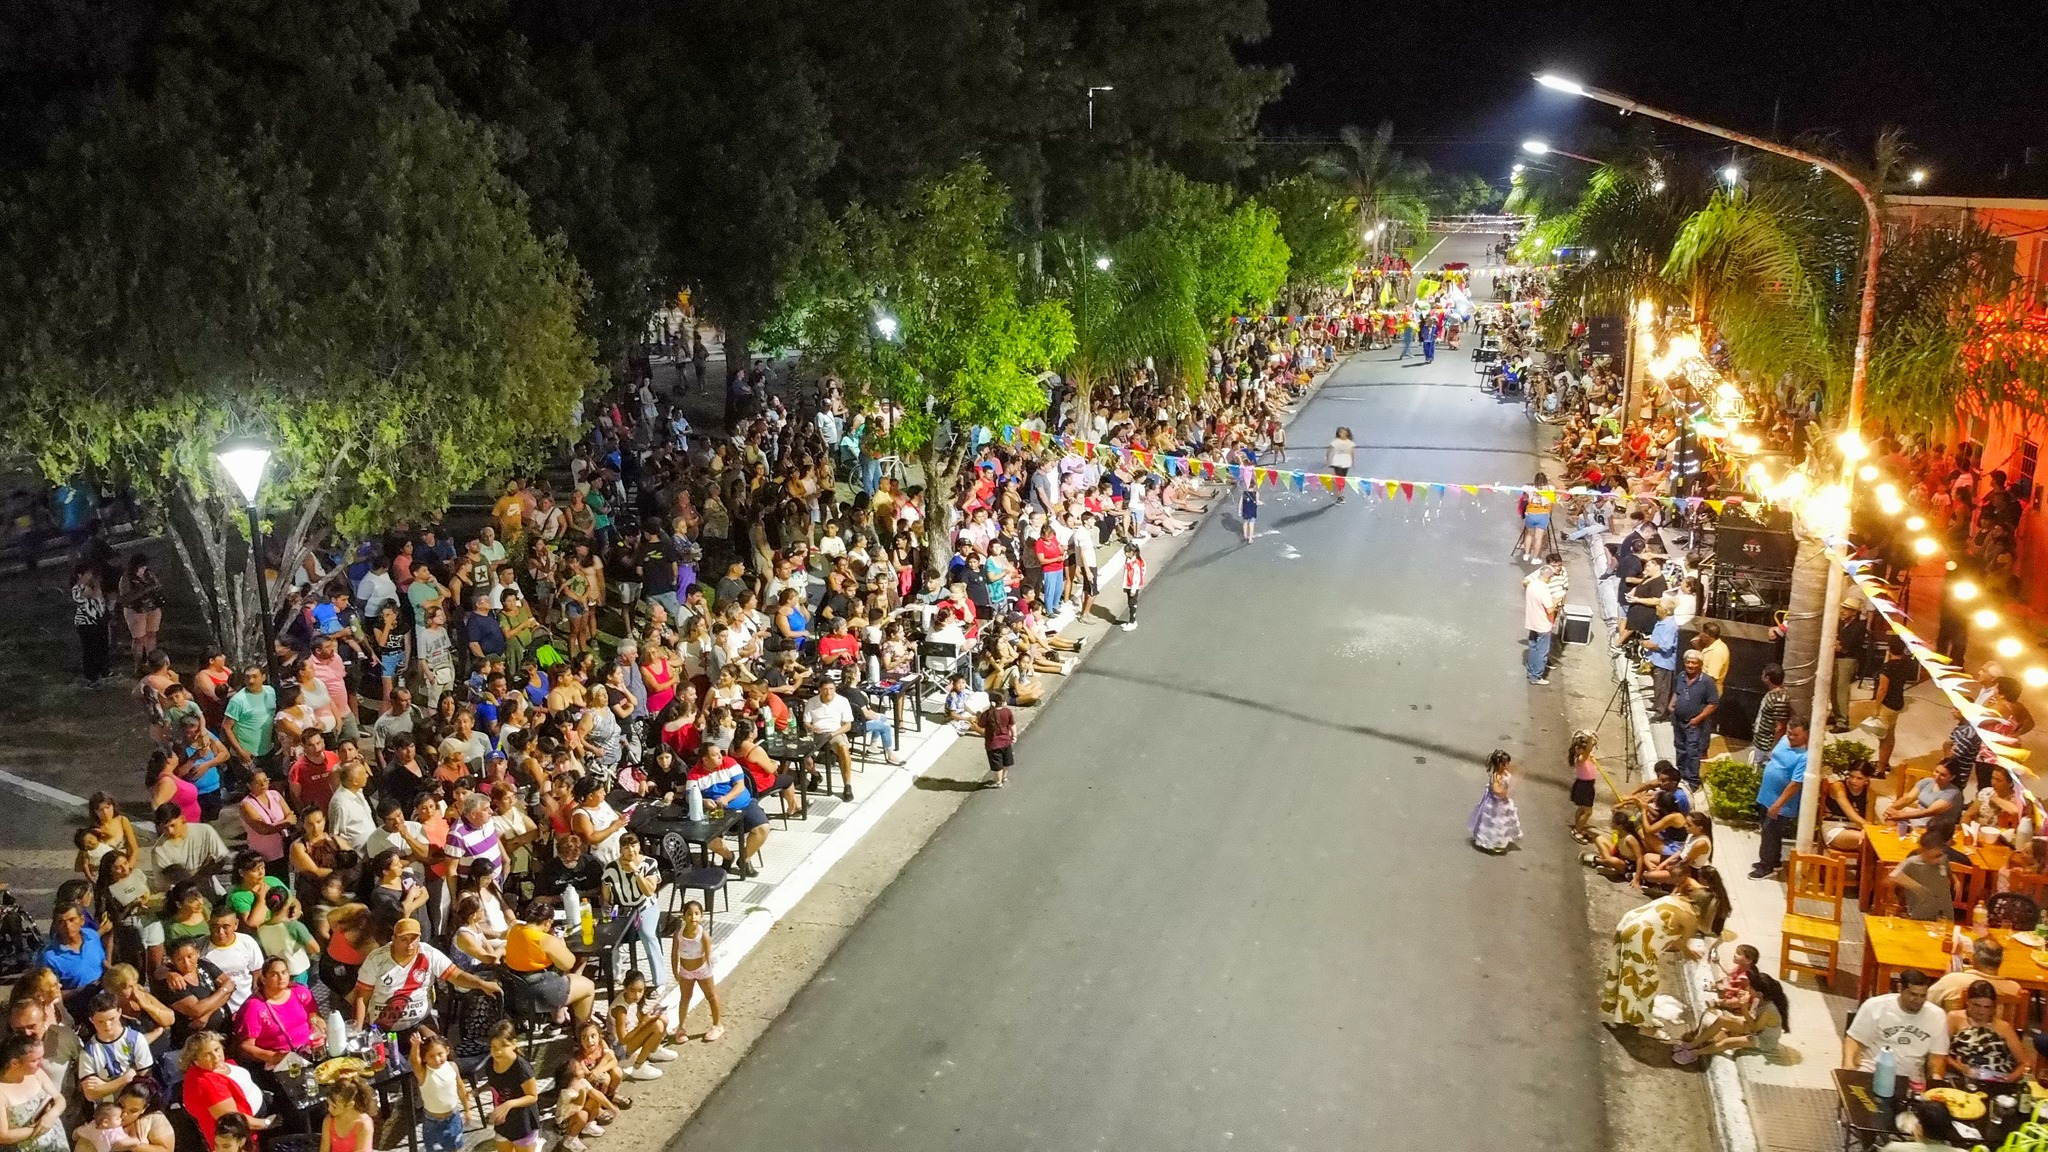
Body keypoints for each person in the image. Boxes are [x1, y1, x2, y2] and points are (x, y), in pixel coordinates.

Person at [1599, 862, 1729, 1031]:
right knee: (1647, 982)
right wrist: (1690, 953)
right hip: (1640, 937)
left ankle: (1625, 1012)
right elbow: (1680, 943)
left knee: (1627, 973)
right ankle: (1643, 1025)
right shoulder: (1690, 917)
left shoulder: (1674, 899)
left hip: (1628, 924)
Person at [352, 918, 498, 1033]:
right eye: (404, 939)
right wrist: (357, 1030)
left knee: (441, 1053)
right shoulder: (376, 960)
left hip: (420, 1021)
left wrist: (481, 984)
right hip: (382, 1026)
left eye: (413, 939)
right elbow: (361, 998)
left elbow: (457, 975)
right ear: (394, 938)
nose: (410, 945)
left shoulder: (429, 954)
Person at [1672, 944, 1787, 1062]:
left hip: (1763, 1039)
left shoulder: (1768, 1010)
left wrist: (1743, 1008)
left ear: (1760, 993)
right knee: (1722, 1020)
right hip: (1755, 1026)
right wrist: (1745, 1008)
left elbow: (1755, 1030)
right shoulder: (1759, 999)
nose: (1749, 990)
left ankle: (1694, 1053)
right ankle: (1691, 1045)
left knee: (1727, 1043)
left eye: (1751, 988)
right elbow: (1753, 1017)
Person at [1843, 969, 1949, 1083]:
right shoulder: (1875, 1006)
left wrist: (1936, 1079)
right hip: (1872, 1073)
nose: (1918, 1000)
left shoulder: (1937, 1015)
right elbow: (1853, 1040)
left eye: (1922, 996)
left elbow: (1937, 1057)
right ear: (1900, 989)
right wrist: (1848, 1065)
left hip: (1911, 1080)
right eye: (1913, 994)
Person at [502, 901, 597, 1027]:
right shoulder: (545, 940)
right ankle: (582, 1030)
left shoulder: (515, 930)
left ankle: (560, 1017)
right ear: (547, 922)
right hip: (540, 993)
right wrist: (561, 945)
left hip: (517, 992)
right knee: (588, 986)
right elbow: (568, 964)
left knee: (571, 978)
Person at [176, 1032, 273, 1146]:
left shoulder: (216, 1065)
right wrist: (266, 1123)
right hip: (248, 1130)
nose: (215, 1057)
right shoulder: (208, 1084)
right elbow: (234, 1120)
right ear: (195, 1059)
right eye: (207, 1054)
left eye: (217, 1049)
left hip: (260, 1111)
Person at [235, 958, 323, 1069]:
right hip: (280, 1063)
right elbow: (246, 1046)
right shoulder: (254, 1007)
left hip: (311, 1051)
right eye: (274, 974)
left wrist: (319, 1024)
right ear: (263, 979)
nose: (281, 978)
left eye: (284, 972)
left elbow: (313, 1015)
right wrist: (274, 1056)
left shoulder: (300, 992)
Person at [1751, 719, 1809, 880]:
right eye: (1789, 733)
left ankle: (1766, 865)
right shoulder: (1784, 740)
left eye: (1795, 735)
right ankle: (1775, 861)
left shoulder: (1804, 756)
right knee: (1767, 830)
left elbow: (1795, 784)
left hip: (1780, 803)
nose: (1791, 737)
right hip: (1766, 795)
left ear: (1805, 735)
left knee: (1770, 833)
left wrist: (1778, 805)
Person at [1945, 979, 2030, 1083]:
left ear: (1994, 1007)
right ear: (1968, 1001)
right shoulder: (1955, 1018)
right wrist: (1960, 1068)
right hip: (1961, 1076)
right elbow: (1939, 1052)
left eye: (1987, 1007)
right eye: (1976, 1005)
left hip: (1998, 1079)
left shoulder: (2003, 1027)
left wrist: (2010, 1078)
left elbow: (2025, 1062)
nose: (1981, 1011)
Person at [0, 1034, 68, 1152]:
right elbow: (3, 1136)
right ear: (15, 1063)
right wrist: (40, 1128)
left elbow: (59, 1099)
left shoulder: (37, 1073)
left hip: (57, 1142)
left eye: (41, 1058)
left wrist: (51, 1115)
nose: (40, 1063)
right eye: (34, 1060)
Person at [669, 901, 723, 1044]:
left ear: (701, 916)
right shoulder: (678, 935)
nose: (693, 917)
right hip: (685, 972)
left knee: (711, 995)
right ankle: (681, 1028)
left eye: (696, 913)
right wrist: (675, 971)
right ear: (684, 916)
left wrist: (707, 970)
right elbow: (674, 953)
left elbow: (708, 953)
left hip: (702, 971)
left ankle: (717, 1025)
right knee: (685, 998)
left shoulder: (703, 935)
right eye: (689, 914)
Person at [409, 1031, 471, 1152]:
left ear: (447, 1051)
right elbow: (414, 1062)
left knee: (454, 1148)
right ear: (424, 1058)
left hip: (454, 1117)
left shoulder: (452, 1066)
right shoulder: (424, 1073)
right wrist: (415, 1045)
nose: (437, 1059)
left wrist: (467, 1109)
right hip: (433, 1123)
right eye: (431, 1056)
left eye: (440, 1054)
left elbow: (460, 1087)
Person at [483, 1022, 540, 1152]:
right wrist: (478, 1090)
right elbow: (495, 1082)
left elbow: (532, 1096)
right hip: (503, 1122)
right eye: (493, 1047)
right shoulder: (491, 1063)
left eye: (503, 1046)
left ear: (514, 1044)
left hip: (523, 1123)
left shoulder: (521, 1068)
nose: (497, 1051)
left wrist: (508, 1104)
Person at [608, 971, 676, 1077]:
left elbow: (639, 1018)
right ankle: (638, 1067)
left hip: (632, 1035)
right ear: (625, 988)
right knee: (657, 1026)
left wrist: (651, 1015)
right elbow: (623, 1039)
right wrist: (644, 1023)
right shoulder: (621, 1010)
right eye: (632, 990)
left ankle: (654, 1050)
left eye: (640, 991)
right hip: (620, 1047)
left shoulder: (632, 1000)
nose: (637, 995)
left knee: (663, 1019)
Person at [1668, 650, 1719, 788]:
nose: (1690, 665)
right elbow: (1677, 692)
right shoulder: (1681, 676)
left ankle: (1692, 781)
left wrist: (1697, 719)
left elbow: (1713, 703)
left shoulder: (1707, 682)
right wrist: (1671, 705)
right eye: (1688, 662)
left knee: (1692, 752)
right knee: (1680, 748)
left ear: (1700, 664)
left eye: (1694, 663)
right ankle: (1681, 775)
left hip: (1694, 725)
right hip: (1678, 721)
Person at [1929, 938, 2022, 1010]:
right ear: (2001, 961)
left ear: (1973, 958)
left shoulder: (1952, 981)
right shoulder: (2015, 989)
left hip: (1956, 1033)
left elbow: (1926, 1002)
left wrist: (1946, 976)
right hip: (1998, 1034)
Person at [1889, 826, 1957, 922]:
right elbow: (1890, 878)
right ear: (1922, 851)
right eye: (1932, 857)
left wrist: (1955, 880)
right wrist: (1915, 886)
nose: (1937, 860)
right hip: (1920, 916)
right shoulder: (1911, 863)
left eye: (1939, 855)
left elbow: (1947, 873)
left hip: (1944, 914)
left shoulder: (1943, 859)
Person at [1873, 636, 1916, 774]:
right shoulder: (1905, 664)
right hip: (1898, 702)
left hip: (1887, 704)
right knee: (1890, 734)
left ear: (1889, 649)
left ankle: (1880, 769)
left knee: (1884, 737)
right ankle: (1884, 762)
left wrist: (1876, 707)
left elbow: (1882, 689)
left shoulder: (1888, 667)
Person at [1468, 750, 1522, 854]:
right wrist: (1507, 790)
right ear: (1501, 764)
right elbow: (1498, 791)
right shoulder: (1496, 777)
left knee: (1504, 822)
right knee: (1495, 823)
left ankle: (1502, 839)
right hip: (1496, 805)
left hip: (1503, 802)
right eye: (1506, 763)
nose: (1508, 765)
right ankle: (1492, 842)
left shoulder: (1504, 773)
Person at [1820, 760, 1877, 853]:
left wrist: (1867, 829)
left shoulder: (1870, 793)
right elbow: (1851, 814)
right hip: (1835, 827)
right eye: (1851, 776)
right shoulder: (1838, 787)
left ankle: (1866, 867)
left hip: (1858, 828)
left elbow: (1869, 818)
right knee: (1870, 840)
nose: (1853, 781)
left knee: (1874, 845)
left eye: (1859, 778)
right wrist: (1868, 829)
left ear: (1867, 779)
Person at [1522, 558, 1561, 686]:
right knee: (1542, 652)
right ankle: (1536, 676)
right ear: (1548, 577)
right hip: (1543, 624)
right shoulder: (1544, 590)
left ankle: (1531, 670)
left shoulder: (1532, 585)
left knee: (1533, 648)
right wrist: (1556, 601)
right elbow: (1550, 610)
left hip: (1532, 621)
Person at [318, 1075, 374, 1152]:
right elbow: (324, 1149)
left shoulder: (363, 1125)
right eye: (328, 1104)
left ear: (350, 1105)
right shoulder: (329, 1121)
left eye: (334, 1107)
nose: (329, 1109)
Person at [1750, 664, 1789, 767]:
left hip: (1766, 746)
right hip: (1761, 742)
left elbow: (1780, 726)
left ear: (1767, 677)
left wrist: (1773, 748)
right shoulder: (1772, 694)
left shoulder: (1779, 699)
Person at [978, 688, 1016, 789]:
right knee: (1006, 762)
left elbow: (981, 725)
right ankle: (1004, 777)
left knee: (997, 764)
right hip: (1006, 741)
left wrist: (979, 715)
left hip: (993, 744)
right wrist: (1014, 735)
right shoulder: (1007, 711)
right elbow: (1012, 724)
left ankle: (998, 781)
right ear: (1003, 701)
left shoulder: (987, 714)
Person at [1568, 731, 1600, 842]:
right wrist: (1590, 739)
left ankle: (1578, 827)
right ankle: (1577, 830)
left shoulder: (1584, 757)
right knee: (1587, 811)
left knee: (1582, 809)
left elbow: (1589, 750)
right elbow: (1588, 750)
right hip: (1584, 786)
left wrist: (1591, 739)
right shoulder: (1580, 759)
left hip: (1587, 785)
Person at [1120, 537, 1144, 631]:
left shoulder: (1135, 564)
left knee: (1132, 603)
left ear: (1132, 552)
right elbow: (1126, 574)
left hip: (1133, 587)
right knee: (1130, 603)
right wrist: (1124, 586)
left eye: (1127, 552)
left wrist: (1133, 589)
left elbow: (1136, 578)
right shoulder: (1128, 561)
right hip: (1128, 585)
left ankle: (1132, 621)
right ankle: (1131, 620)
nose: (1126, 554)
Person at [1326, 427, 1354, 503]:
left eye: (1343, 432)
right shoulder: (1335, 442)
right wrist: (1328, 460)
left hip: (1346, 462)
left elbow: (1352, 453)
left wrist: (1353, 462)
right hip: (1337, 461)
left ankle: (1339, 492)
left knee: (1342, 478)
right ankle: (1339, 495)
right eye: (1340, 432)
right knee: (1339, 478)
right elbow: (1329, 451)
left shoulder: (1350, 442)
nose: (1341, 434)